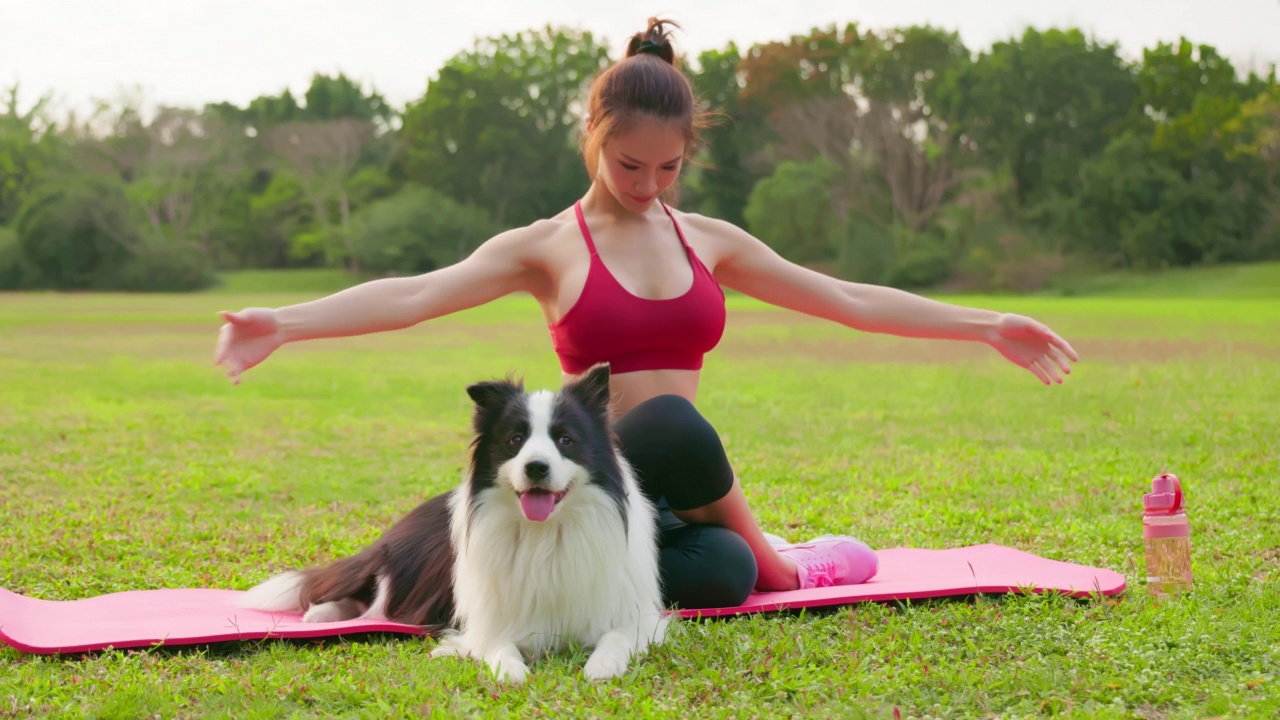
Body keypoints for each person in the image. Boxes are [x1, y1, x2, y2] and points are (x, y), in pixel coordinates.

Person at [213, 18, 1079, 610]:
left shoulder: (710, 241)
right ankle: (787, 564)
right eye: (631, 165)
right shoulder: (549, 246)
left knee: (723, 571)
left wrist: (987, 323)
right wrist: (284, 322)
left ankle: (755, 557)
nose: (649, 186)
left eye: (669, 170)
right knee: (666, 420)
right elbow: (412, 294)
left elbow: (848, 299)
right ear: (593, 131)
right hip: (592, 485)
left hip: (667, 507)